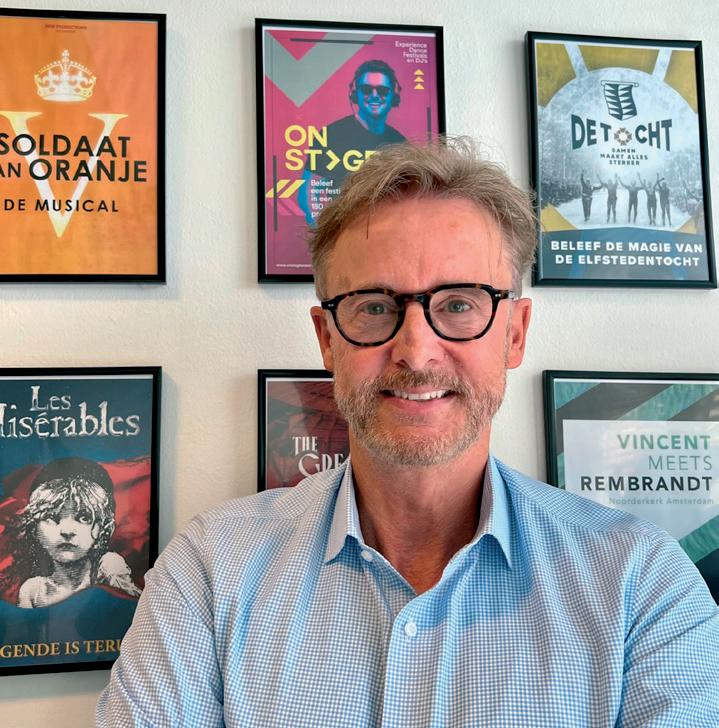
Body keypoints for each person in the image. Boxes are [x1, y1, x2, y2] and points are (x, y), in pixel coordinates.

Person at [97, 139, 719, 727]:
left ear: (515, 333)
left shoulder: (641, 584)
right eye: (374, 306)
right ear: (327, 340)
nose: (416, 352)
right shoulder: (211, 571)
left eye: (459, 304)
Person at [14, 457, 141, 608]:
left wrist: (117, 580)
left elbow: (133, 610)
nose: (67, 531)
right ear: (34, 527)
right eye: (52, 517)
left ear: (103, 527)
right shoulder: (33, 590)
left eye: (84, 517)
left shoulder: (110, 568)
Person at [299, 59, 406, 225]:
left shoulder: (400, 143)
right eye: (367, 89)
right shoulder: (331, 135)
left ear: (393, 95)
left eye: (382, 90)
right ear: (355, 94)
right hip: (343, 231)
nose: (375, 95)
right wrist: (323, 232)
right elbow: (308, 192)